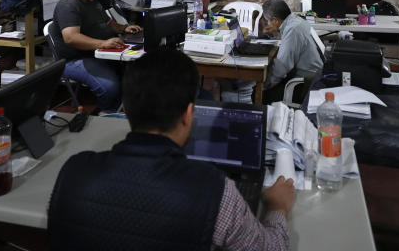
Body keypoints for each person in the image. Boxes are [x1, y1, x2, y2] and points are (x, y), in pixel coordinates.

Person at [47, 49, 295, 250]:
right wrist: (277, 208)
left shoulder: (72, 172)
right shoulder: (215, 193)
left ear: (125, 109)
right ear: (189, 114)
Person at [48, 0, 142, 112]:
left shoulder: (91, 1)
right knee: (109, 88)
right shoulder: (68, 5)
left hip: (98, 52)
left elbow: (108, 22)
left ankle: (120, 107)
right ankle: (104, 114)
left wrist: (123, 28)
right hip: (74, 59)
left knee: (135, 71)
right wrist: (104, 43)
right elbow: (71, 38)